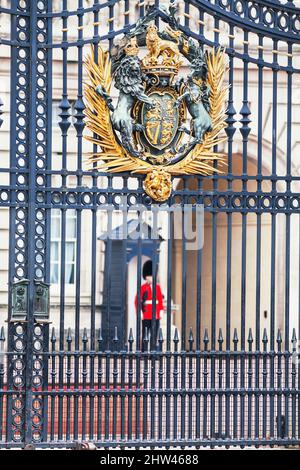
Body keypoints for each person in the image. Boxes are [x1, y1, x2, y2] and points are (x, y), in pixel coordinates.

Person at [135, 260, 164, 350]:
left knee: (154, 335)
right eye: (148, 276)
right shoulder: (142, 287)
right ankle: (143, 352)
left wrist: (161, 311)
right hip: (146, 314)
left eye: (151, 276)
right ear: (146, 277)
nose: (150, 278)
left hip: (155, 314)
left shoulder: (158, 287)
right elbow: (137, 301)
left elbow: (159, 300)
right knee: (145, 334)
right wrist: (140, 312)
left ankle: (153, 352)